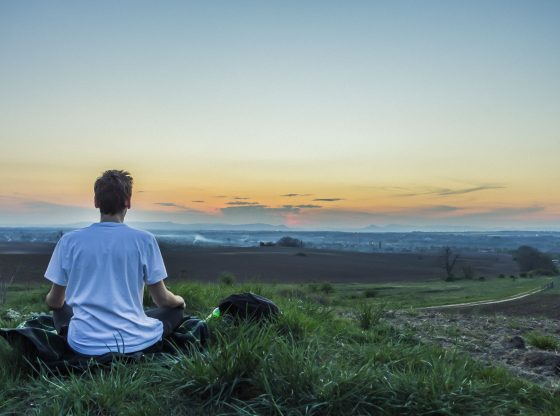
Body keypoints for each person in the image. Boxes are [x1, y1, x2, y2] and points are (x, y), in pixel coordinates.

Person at [44, 169, 185, 356]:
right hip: (135, 342)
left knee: (60, 308)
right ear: (128, 202)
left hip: (83, 344)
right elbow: (162, 300)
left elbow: (54, 302)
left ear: (96, 202)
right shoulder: (145, 240)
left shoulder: (69, 241)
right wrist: (179, 301)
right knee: (174, 311)